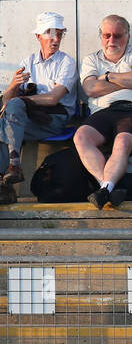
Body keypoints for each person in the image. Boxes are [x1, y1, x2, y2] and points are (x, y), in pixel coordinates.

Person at [75, 14, 132, 209]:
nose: (112, 40)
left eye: (117, 35)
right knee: (81, 137)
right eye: (107, 35)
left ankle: (106, 187)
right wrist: (127, 81)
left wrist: (107, 77)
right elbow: (90, 89)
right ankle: (107, 189)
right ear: (100, 36)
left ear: (127, 36)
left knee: (123, 141)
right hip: (103, 111)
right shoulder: (91, 59)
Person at [0, 11, 77, 203]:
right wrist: (13, 86)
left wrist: (22, 100)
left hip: (55, 118)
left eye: (59, 34)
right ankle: (11, 171)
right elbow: (6, 103)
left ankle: (8, 182)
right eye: (50, 34)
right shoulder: (28, 62)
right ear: (38, 36)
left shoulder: (66, 62)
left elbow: (53, 99)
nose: (55, 39)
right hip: (25, 119)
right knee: (8, 120)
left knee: (7, 123)